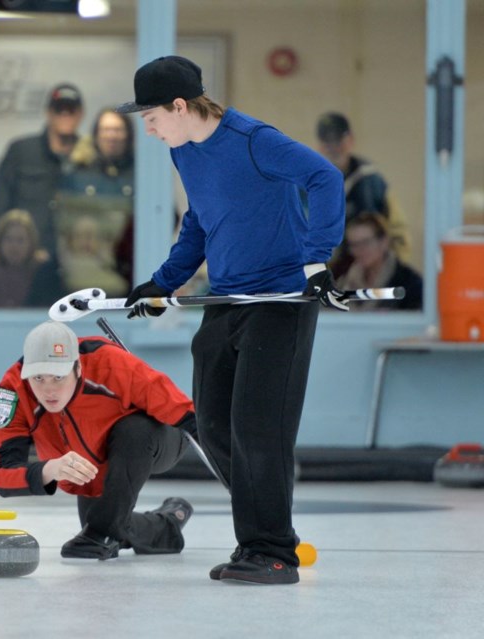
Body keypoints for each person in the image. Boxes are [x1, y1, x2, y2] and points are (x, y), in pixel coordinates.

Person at [118, 56, 346, 584]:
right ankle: (259, 541)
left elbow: (324, 176)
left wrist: (317, 259)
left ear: (179, 106)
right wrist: (165, 280)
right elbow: (201, 219)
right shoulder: (185, 153)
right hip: (226, 300)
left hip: (280, 301)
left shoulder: (252, 140)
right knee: (215, 425)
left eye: (150, 116)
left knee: (259, 430)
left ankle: (272, 552)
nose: (147, 129)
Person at [0, 320, 196, 560]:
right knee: (102, 524)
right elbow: (2, 474)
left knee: (134, 429)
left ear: (77, 369)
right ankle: (168, 523)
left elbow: (186, 413)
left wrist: (238, 465)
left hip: (159, 437)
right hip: (91, 465)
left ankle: (102, 530)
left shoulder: (109, 362)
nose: (48, 390)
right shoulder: (12, 392)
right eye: (38, 378)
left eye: (58, 377)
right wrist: (50, 469)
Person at [0, 83, 85, 257]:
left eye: (71, 110)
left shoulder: (89, 157)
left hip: (75, 262)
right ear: (48, 113)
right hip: (25, 263)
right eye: (59, 109)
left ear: (81, 114)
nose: (65, 115)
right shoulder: (21, 151)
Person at [315, 111, 412, 279]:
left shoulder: (372, 182)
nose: (333, 148)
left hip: (373, 275)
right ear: (320, 146)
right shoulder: (312, 185)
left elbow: (398, 232)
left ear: (350, 140)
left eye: (338, 140)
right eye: (327, 142)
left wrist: (390, 273)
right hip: (332, 276)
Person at [59, 107, 136, 285]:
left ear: (128, 135)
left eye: (118, 130)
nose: (111, 136)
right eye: (106, 130)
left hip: (132, 267)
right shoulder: (78, 174)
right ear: (96, 135)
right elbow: (64, 220)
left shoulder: (142, 174)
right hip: (85, 268)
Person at [337, 212, 423, 310]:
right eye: (354, 244)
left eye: (366, 242)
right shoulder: (345, 282)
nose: (359, 250)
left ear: (384, 242)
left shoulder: (409, 284)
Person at [0, 209, 48, 308]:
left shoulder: (42, 272)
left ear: (31, 243)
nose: (14, 246)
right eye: (8, 239)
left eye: (20, 240)